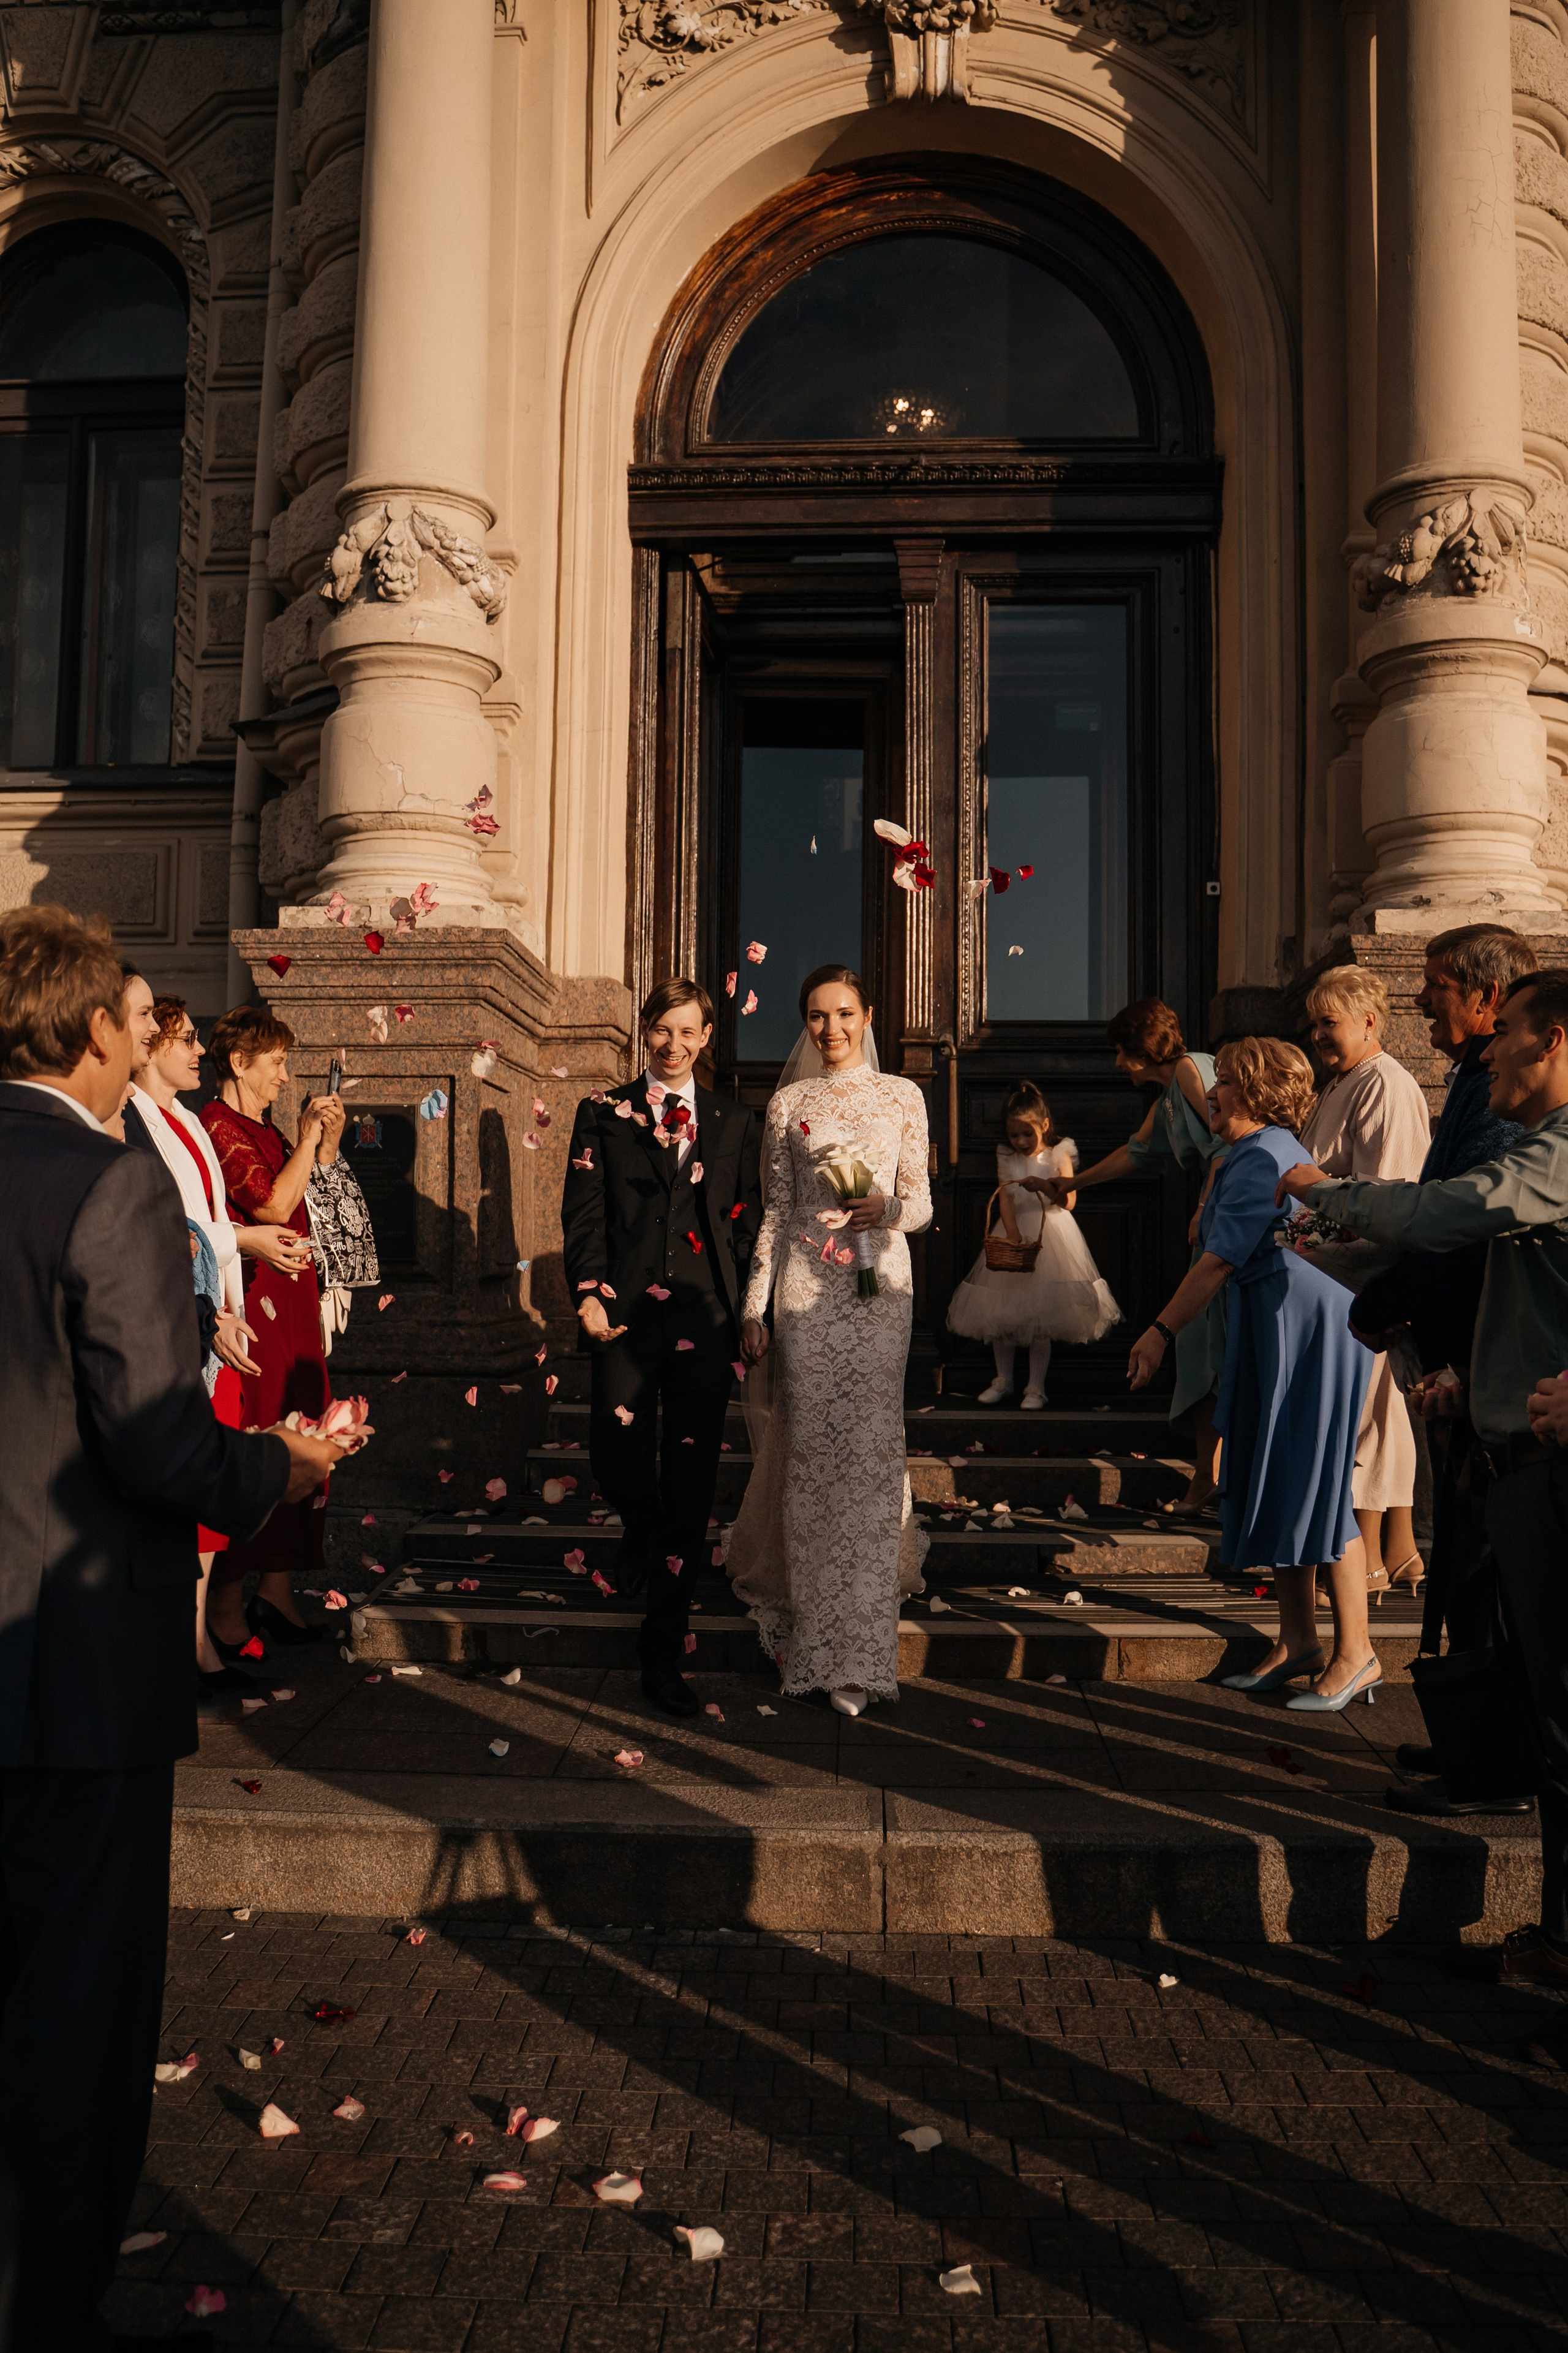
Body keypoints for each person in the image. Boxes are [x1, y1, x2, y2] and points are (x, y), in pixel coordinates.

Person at [0, 904, 347, 2353]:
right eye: (138, 1027)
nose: (150, 1048)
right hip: (73, 1670)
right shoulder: (109, 1183)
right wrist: (284, 1462)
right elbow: (159, 1449)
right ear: (97, 1035)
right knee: (73, 2004)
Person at [1278, 970, 1568, 1980]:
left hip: (1552, 1464)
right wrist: (1464, 1375)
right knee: (1548, 1704)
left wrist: (1326, 1201)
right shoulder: (1539, 1145)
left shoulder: (1558, 1153)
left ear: (1556, 1042)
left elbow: (1451, 1216)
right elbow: (1512, 1281)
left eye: (1509, 1039)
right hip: (1515, 1442)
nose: (1487, 1056)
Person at [1129, 1038, 1375, 1710]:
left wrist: (1159, 1333)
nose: (1211, 1091)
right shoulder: (1254, 1153)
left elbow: (1214, 1264)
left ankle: (1357, 1653)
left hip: (1307, 1332)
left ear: (1258, 1094)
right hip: (1279, 1322)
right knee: (1284, 1474)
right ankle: (1298, 1641)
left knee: (1315, 1480)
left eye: (1227, 1081)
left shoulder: (1263, 1154)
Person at [727, 964, 932, 1716]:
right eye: (817, 1015)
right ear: (805, 1023)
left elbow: (924, 1202)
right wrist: (757, 1308)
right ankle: (814, 1638)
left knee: (873, 1458)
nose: (832, 1028)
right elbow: (777, 1213)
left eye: (844, 1012)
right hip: (808, 1293)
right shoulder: (788, 1104)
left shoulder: (903, 1095)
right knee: (812, 1458)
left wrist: (886, 1207)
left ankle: (865, 1650)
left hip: (882, 1294)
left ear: (868, 1015)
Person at [559, 978, 762, 1718]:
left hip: (706, 1320)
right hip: (622, 1316)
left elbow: (746, 1227)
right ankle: (638, 1527)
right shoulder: (600, 1113)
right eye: (660, 1030)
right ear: (644, 1032)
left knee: (689, 1481)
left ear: (707, 1036)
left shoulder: (736, 1122)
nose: (673, 1044)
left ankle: (663, 1650)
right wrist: (586, 1291)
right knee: (612, 1459)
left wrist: (751, 1310)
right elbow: (582, 1214)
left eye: (687, 1031)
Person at [1351, 924, 1537, 1671]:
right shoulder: (1469, 1073)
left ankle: (1489, 1754)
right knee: (1462, 1551)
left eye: (1438, 985)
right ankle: (1472, 1729)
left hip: (1479, 1358)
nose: (1420, 997)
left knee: (1483, 1560)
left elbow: (1464, 1225)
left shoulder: (1502, 1092)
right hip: (1453, 1351)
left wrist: (1377, 1303)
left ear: (1489, 998)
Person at [129, 999, 318, 1702]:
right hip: (192, 1316)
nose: (194, 1049)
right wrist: (246, 1240)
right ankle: (197, 1643)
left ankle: (202, 1639)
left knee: (214, 1480)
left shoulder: (183, 1122)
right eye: (181, 1037)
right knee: (206, 1480)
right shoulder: (152, 1120)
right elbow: (198, 1220)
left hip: (222, 1310)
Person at [199, 1005, 344, 1655]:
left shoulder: (264, 1128)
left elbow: (306, 1199)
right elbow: (272, 1205)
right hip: (254, 1308)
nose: (286, 1076)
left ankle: (277, 1590)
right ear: (239, 1062)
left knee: (303, 1431)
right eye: (277, 1061)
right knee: (260, 1440)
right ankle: (227, 1602)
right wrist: (308, 1140)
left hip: (292, 1302)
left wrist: (325, 1142)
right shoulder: (220, 1126)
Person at [1052, 997, 1226, 1513]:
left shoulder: (1195, 1070)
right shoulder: (1168, 1097)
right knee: (1200, 1345)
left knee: (1210, 1342)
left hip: (1229, 1220)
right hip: (1215, 1218)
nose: (1116, 1063)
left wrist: (1202, 1207)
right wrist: (1069, 1184)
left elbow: (1228, 1147)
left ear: (1140, 1048)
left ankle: (1213, 1481)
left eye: (1120, 1052)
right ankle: (1210, 1477)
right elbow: (1135, 1152)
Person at [1294, 965, 1432, 1599]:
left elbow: (1384, 1200)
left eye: (1329, 1022)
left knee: (1369, 1421)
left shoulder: (1387, 1085)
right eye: (1313, 1022)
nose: (1317, 1033)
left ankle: (1368, 1561)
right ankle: (1378, 1557)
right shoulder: (1340, 1082)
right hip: (1328, 1284)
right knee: (1360, 1420)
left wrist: (1294, 1236)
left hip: (1362, 1285)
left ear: (1370, 1021)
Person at [946, 1078, 1121, 1404]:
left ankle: (1036, 1386)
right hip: (1015, 1233)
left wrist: (1043, 1185)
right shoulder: (1006, 1156)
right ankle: (1003, 1379)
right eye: (1014, 1135)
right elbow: (1006, 1199)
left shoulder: (1058, 1154)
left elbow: (1068, 1201)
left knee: (1042, 1314)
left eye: (1028, 1134)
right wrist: (1011, 1233)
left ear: (1044, 1125)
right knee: (1002, 1310)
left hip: (1051, 1233)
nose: (1021, 1141)